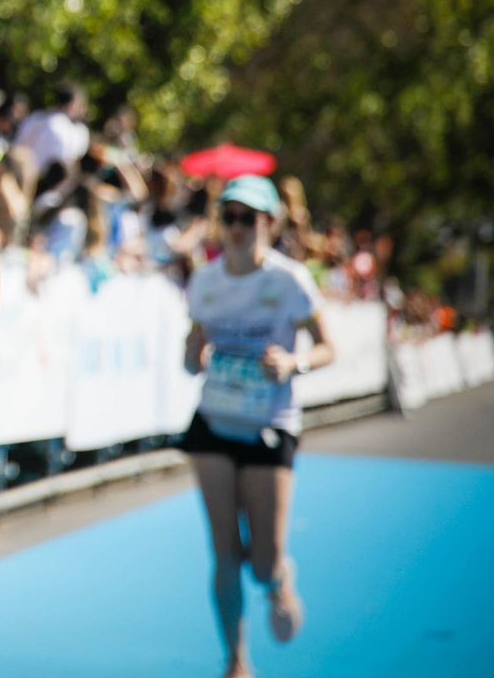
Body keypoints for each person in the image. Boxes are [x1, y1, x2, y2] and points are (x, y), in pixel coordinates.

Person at [180, 175, 336, 678]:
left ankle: (277, 579)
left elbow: (327, 347)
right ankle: (236, 660)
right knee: (224, 554)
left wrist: (294, 363)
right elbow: (192, 354)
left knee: (263, 560)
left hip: (269, 424)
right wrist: (193, 353)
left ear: (269, 222)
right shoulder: (205, 280)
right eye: (229, 216)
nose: (237, 226)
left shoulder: (290, 280)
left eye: (248, 218)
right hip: (214, 422)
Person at [13, 82, 89, 178]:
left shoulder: (35, 116)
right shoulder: (69, 129)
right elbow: (68, 162)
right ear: (72, 103)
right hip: (44, 180)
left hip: (18, 173)